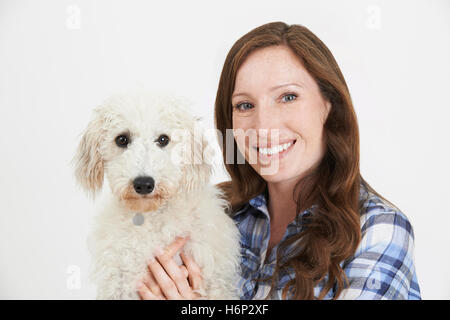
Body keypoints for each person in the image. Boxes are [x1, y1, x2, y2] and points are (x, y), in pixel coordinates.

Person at [137, 21, 421, 300]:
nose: (263, 126)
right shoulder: (215, 214)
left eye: (288, 97)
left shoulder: (379, 230)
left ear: (328, 106)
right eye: (245, 105)